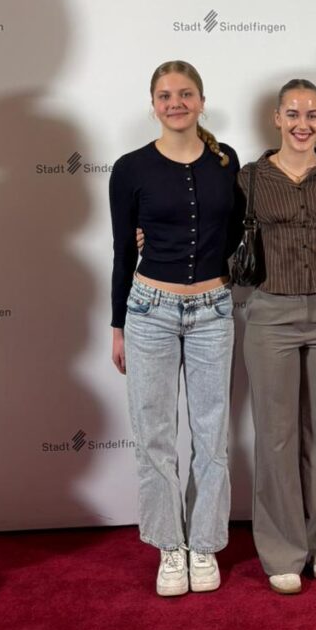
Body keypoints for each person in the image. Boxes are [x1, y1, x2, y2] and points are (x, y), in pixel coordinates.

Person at [109, 60, 242, 597]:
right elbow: (123, 250)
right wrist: (118, 325)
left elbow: (235, 233)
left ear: (202, 101)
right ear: (154, 105)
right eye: (165, 96)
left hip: (213, 310)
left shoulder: (226, 161)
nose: (176, 103)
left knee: (212, 437)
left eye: (186, 94)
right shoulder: (130, 168)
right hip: (149, 312)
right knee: (154, 436)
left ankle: (204, 545)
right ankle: (170, 545)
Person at [240, 79, 316, 595]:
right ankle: (283, 551)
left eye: (312, 114)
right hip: (270, 315)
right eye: (292, 114)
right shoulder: (249, 178)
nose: (302, 124)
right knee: (276, 437)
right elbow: (219, 235)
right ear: (277, 118)